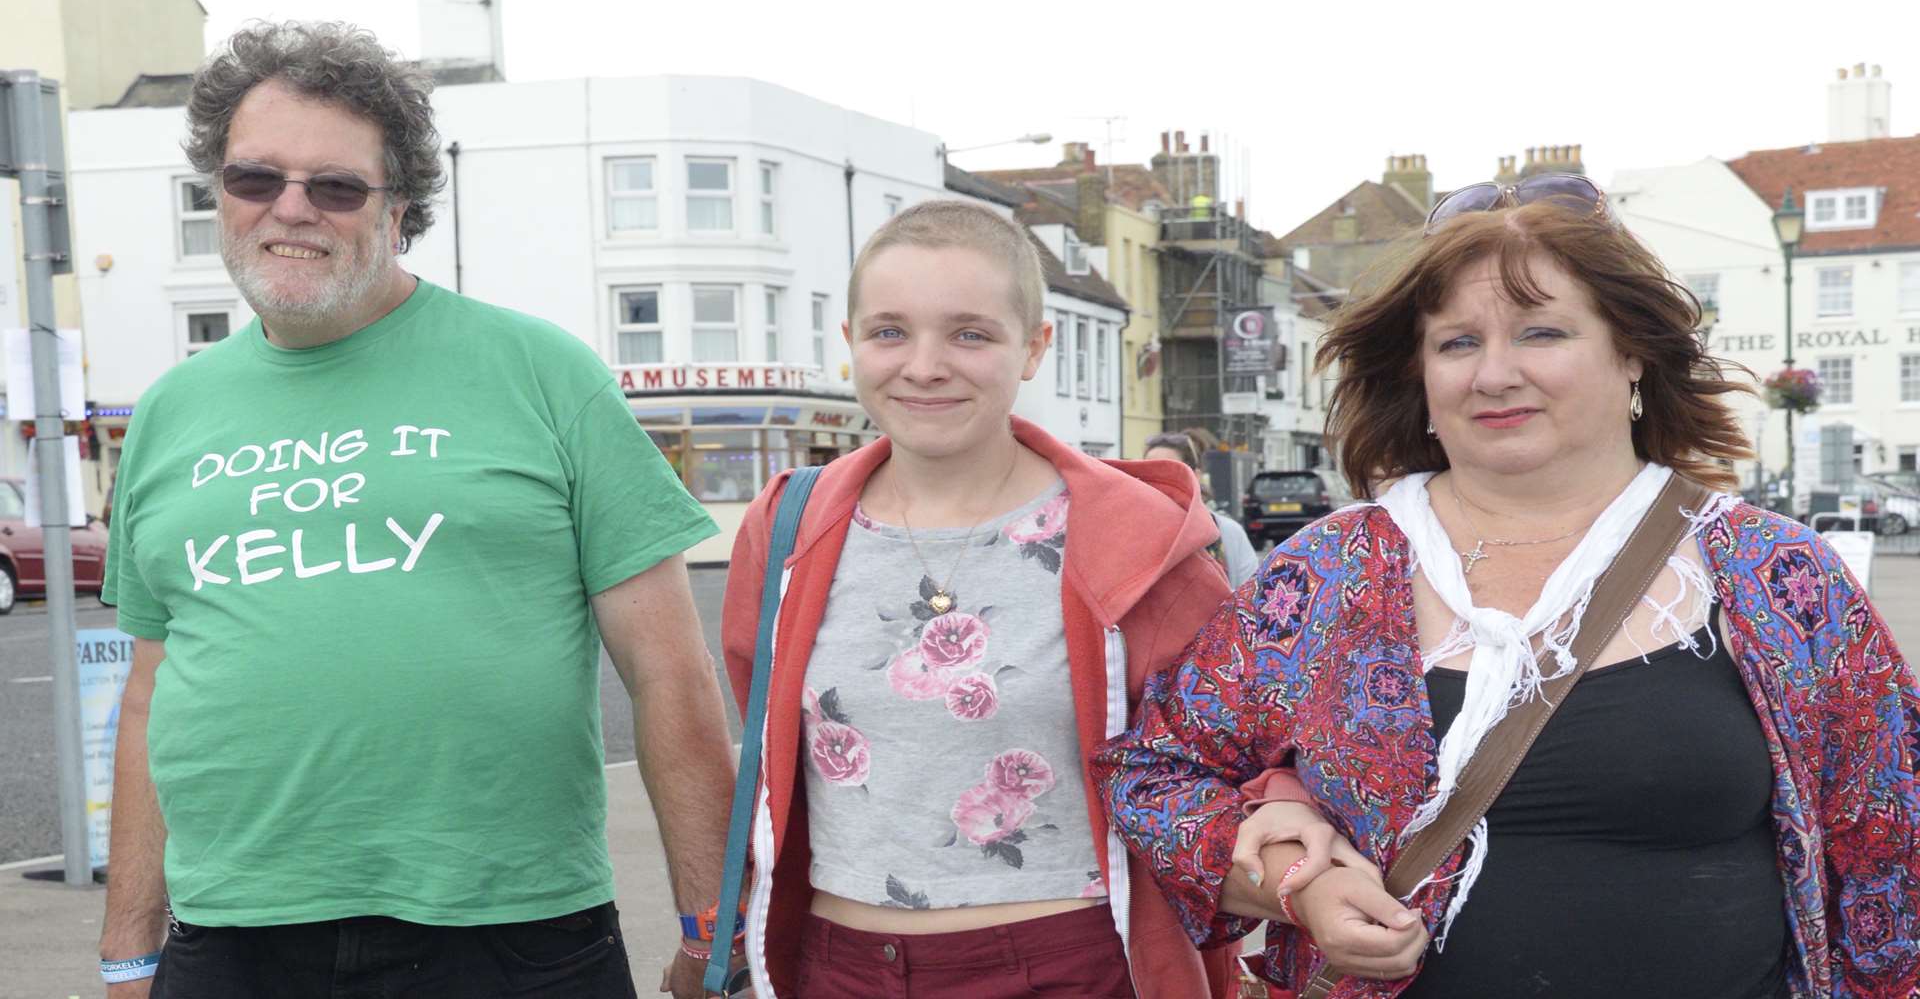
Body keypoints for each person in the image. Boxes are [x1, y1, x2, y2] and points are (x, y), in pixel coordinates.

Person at [1095, 181, 1920, 997]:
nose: (1495, 374)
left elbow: (1889, 846)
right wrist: (1295, 881)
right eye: (1456, 343)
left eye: (1542, 332)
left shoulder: (1772, 570)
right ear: (1417, 374)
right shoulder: (1327, 571)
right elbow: (1156, 775)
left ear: (1630, 351)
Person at [96, 22, 736, 999]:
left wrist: (713, 930)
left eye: (337, 186)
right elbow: (148, 695)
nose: (290, 210)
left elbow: (671, 676)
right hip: (234, 943)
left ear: (401, 210)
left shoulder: (543, 372)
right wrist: (128, 954)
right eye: (255, 179)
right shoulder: (170, 412)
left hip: (512, 938)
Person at [719, 200, 1351, 998]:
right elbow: (769, 751)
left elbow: (1253, 745)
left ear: (1034, 348)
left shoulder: (1140, 538)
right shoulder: (787, 526)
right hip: (839, 968)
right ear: (849, 344)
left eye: (969, 334)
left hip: (1067, 964)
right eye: (889, 331)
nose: (924, 364)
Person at [1142, 431, 1260, 587]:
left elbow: (1250, 598)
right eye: (1147, 471)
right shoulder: (1136, 534)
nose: (1156, 480)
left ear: (1195, 476)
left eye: (1168, 470)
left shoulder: (1228, 533)